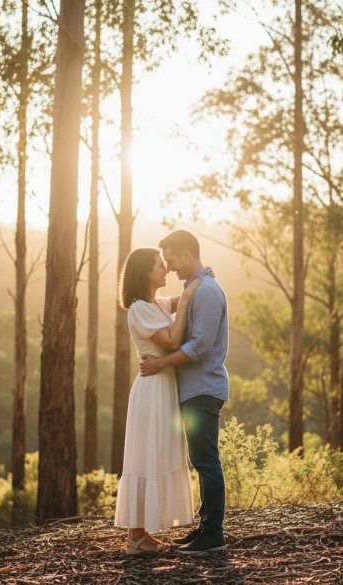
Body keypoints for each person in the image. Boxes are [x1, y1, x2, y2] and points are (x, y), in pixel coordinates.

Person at [140, 230, 229, 554]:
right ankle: (205, 528)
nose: (171, 267)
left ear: (187, 255)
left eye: (173, 260)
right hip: (195, 389)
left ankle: (213, 535)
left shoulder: (205, 291)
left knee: (206, 461)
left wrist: (161, 364)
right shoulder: (197, 287)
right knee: (201, 459)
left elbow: (200, 346)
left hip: (203, 387)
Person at [113, 247, 201, 554]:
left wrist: (196, 281)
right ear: (145, 272)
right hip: (150, 391)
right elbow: (173, 341)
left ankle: (141, 534)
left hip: (163, 386)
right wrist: (189, 296)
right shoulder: (139, 308)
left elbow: (180, 302)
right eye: (160, 265)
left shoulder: (156, 304)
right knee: (144, 456)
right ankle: (135, 537)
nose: (166, 270)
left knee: (157, 454)